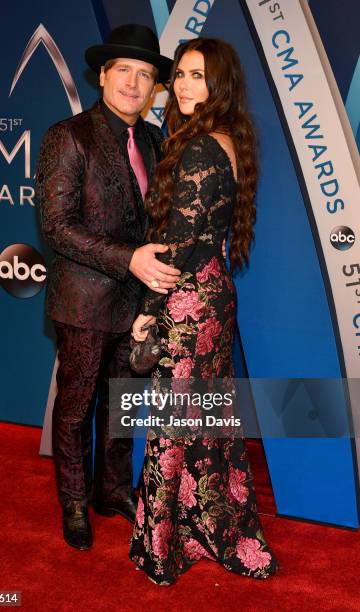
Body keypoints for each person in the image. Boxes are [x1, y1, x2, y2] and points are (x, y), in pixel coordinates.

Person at [129, 38, 278, 584]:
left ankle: (162, 548)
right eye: (182, 76)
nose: (185, 86)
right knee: (205, 422)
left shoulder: (197, 149)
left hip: (188, 302)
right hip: (216, 296)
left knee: (174, 423)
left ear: (221, 86)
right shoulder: (228, 140)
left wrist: (148, 309)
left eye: (199, 76)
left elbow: (180, 242)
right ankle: (208, 527)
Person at [35, 24, 179, 551]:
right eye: (125, 71)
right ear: (102, 75)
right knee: (75, 405)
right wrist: (130, 260)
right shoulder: (68, 136)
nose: (134, 84)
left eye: (146, 75)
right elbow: (56, 226)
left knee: (120, 402)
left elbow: (155, 220)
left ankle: (111, 490)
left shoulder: (154, 139)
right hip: (84, 300)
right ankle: (74, 500)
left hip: (134, 304)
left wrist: (150, 285)